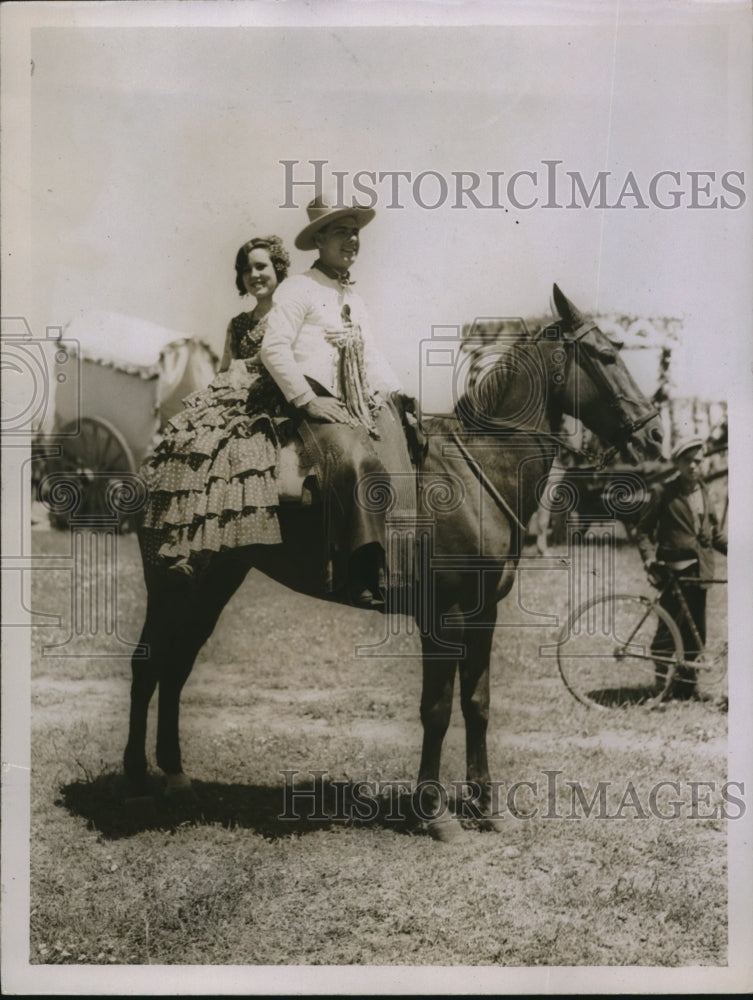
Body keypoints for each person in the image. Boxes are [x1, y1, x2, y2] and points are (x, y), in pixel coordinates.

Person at [260, 194, 420, 607]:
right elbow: (273, 348)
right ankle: (361, 573)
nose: (352, 240)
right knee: (356, 459)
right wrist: (307, 400)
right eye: (341, 233)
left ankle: (406, 566)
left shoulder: (354, 298)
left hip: (356, 403)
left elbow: (370, 356)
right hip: (315, 404)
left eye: (355, 233)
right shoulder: (298, 288)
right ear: (319, 240)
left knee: (404, 448)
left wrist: (397, 393)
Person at [139, 235, 293, 573]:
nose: (254, 275)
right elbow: (224, 368)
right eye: (246, 270)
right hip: (230, 395)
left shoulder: (289, 316)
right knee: (188, 440)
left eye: (261, 266)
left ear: (279, 269)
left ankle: (205, 547)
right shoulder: (237, 323)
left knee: (232, 448)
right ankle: (178, 541)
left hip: (269, 395)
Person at [634, 436, 727, 699]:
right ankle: (660, 689)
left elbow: (713, 534)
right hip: (674, 570)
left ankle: (686, 689)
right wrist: (649, 559)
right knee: (667, 633)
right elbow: (643, 530)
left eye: (698, 461)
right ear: (677, 463)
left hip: (700, 572)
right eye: (688, 461)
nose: (694, 466)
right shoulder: (663, 492)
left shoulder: (704, 491)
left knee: (696, 632)